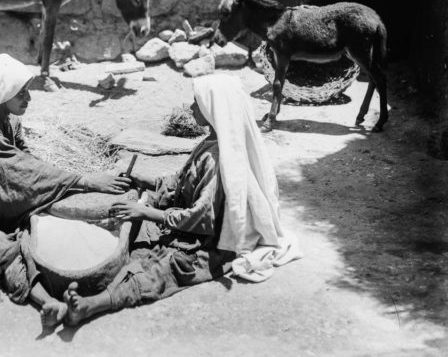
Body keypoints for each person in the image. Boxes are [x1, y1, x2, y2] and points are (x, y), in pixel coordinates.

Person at [46, 73, 301, 326]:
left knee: (165, 267)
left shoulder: (217, 159)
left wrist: (147, 213)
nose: (191, 108)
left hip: (207, 242)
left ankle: (95, 303)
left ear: (212, 108)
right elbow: (181, 182)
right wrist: (143, 181)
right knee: (134, 240)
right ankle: (92, 288)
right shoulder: (209, 143)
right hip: (182, 222)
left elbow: (203, 218)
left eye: (196, 103)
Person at [0, 53, 130, 327]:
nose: (28, 98)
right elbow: (20, 171)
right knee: (7, 251)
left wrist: (63, 186)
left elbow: (28, 164)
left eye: (27, 91)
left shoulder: (9, 120)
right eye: (21, 92)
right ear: (2, 92)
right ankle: (46, 301)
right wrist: (84, 180)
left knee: (49, 220)